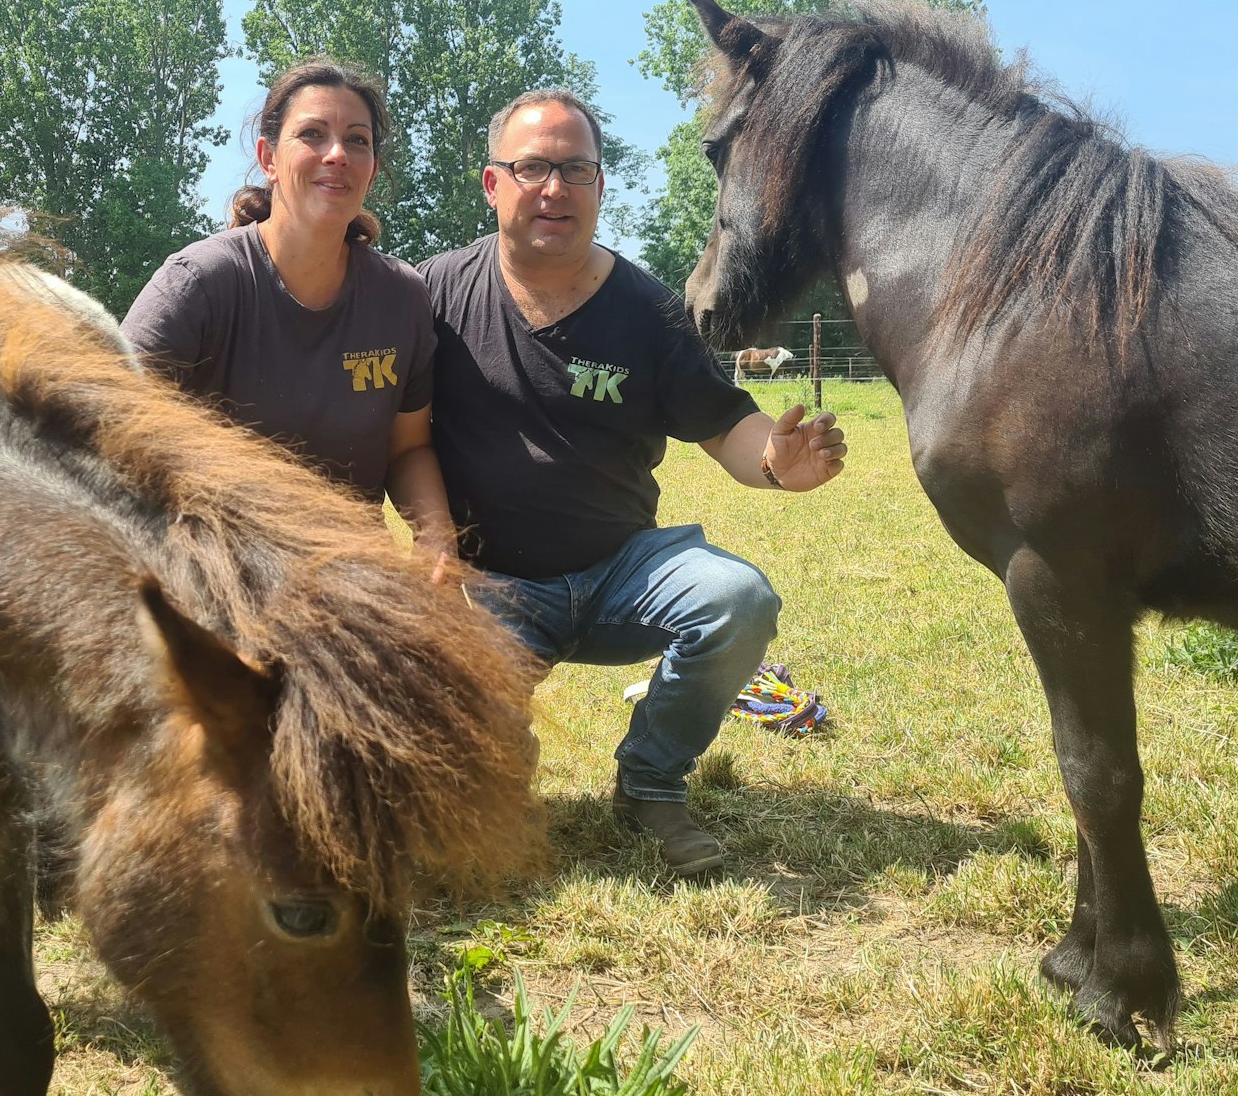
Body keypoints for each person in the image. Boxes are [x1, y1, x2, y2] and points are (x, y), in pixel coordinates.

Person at [418, 90, 847, 877]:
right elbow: (393, 425)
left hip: (622, 572)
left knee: (737, 600)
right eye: (534, 167)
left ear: (601, 184)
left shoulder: (649, 310)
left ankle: (650, 781)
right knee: (468, 793)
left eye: (576, 169)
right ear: (492, 184)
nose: (556, 188)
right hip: (493, 590)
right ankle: (501, 770)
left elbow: (726, 424)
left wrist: (777, 463)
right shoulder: (436, 295)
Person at [120, 60, 452, 562]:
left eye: (357, 140)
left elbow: (406, 449)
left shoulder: (402, 297)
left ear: (372, 170)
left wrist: (436, 542)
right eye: (313, 134)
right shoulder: (200, 283)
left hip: (356, 580)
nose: (337, 154)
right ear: (268, 158)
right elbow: (106, 433)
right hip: (217, 577)